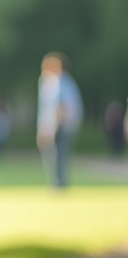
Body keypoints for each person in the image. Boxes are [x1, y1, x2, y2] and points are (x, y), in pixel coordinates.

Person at [35, 52, 83, 189]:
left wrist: (51, 128)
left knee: (57, 155)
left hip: (60, 126)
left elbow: (61, 107)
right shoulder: (58, 82)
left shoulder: (59, 83)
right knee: (57, 155)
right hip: (60, 125)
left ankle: (59, 183)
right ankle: (58, 181)